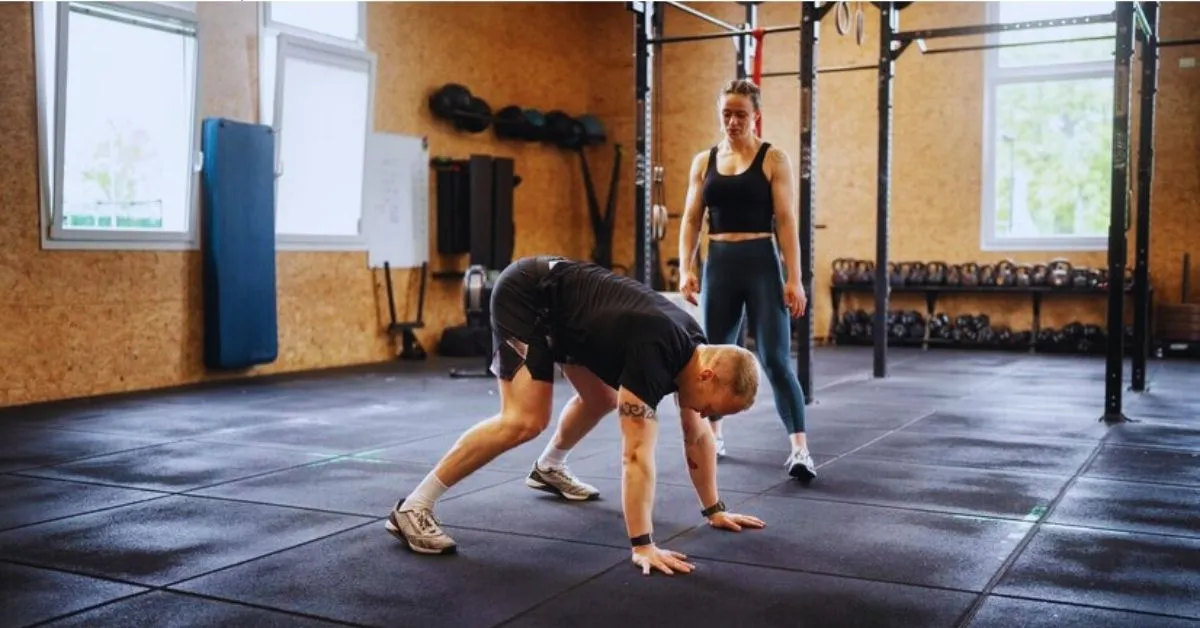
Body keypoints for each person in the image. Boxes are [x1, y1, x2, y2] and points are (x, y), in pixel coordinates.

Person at [387, 255, 766, 576]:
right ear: (707, 375)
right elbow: (635, 455)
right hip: (530, 296)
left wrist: (715, 510)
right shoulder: (656, 355)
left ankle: (548, 468)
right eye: (713, 407)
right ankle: (413, 507)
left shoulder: (693, 351)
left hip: (569, 314)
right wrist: (643, 545)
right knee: (524, 420)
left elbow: (697, 436)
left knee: (600, 398)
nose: (705, 414)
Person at [677, 78, 816, 483]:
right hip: (719, 263)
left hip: (761, 262)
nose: (733, 121)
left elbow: (787, 221)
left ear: (756, 116)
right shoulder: (703, 161)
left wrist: (796, 278)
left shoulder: (774, 159)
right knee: (713, 357)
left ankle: (800, 450)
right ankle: (715, 436)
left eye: (740, 114)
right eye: (726, 114)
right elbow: (690, 218)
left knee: (774, 358)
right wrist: (686, 266)